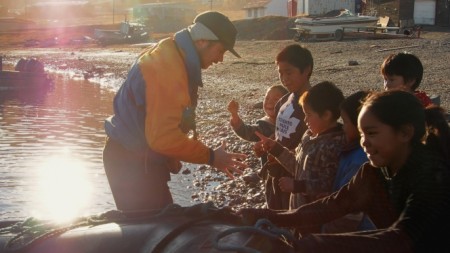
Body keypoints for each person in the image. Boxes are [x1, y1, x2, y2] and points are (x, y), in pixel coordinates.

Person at [240, 90, 450, 252]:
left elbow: (401, 240)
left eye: (372, 133)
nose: (364, 142)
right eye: (361, 134)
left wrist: (314, 245)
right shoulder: (373, 173)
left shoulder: (433, 176)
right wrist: (268, 216)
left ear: (405, 133)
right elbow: (333, 205)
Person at [102, 11, 247, 212]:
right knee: (154, 232)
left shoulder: (174, 53)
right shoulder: (168, 68)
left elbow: (160, 122)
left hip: (136, 156)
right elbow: (162, 138)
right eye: (221, 50)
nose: (221, 59)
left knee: (160, 225)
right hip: (130, 162)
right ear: (203, 41)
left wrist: (170, 154)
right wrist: (212, 157)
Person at [255, 81, 346, 234]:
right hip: (299, 211)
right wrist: (276, 149)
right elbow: (297, 165)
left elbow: (328, 185)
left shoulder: (332, 146)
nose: (305, 120)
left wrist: (297, 186)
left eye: (309, 115)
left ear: (326, 115)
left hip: (314, 218)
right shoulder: (309, 136)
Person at [264, 44, 313, 210]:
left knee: (292, 222)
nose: (284, 78)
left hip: (296, 180)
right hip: (275, 174)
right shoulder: (282, 102)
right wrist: (268, 146)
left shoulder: (315, 106)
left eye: (289, 72)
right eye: (280, 73)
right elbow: (279, 134)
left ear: (306, 70)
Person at [321, 90, 374, 233]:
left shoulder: (360, 160)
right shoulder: (351, 150)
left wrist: (327, 235)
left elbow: (351, 212)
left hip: (357, 235)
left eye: (345, 121)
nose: (342, 127)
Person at [227, 84, 288, 206]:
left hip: (289, 170)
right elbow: (246, 132)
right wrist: (234, 115)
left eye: (276, 99)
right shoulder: (263, 125)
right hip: (270, 172)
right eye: (267, 98)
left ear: (287, 103)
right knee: (273, 199)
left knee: (289, 198)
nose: (269, 102)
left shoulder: (290, 123)